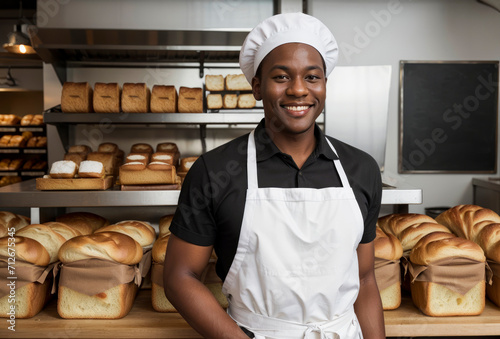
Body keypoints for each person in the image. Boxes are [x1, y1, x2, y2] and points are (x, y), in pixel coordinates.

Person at [163, 12, 385, 339]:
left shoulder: (361, 169)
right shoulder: (215, 171)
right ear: (256, 85)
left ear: (324, 84)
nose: (298, 90)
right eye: (281, 77)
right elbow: (179, 277)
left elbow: (365, 278)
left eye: (312, 77)